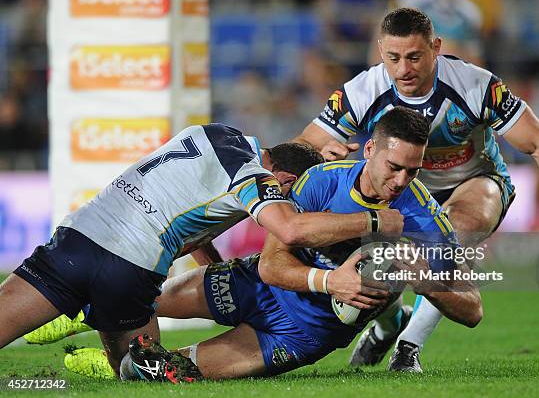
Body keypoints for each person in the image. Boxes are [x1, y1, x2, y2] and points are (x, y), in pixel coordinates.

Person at [293, 7, 539, 372]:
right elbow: (303, 145)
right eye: (393, 58)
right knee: (372, 256)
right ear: (380, 51)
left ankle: (408, 347)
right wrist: (316, 153)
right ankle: (388, 324)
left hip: (475, 181)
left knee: (457, 229)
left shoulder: (476, 86)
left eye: (414, 57)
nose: (403, 69)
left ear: (436, 47)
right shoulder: (362, 91)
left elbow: (538, 142)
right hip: (402, 191)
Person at [77, 107, 481, 382]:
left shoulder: (424, 218)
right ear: (371, 150)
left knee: (165, 372)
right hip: (258, 283)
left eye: (413, 171)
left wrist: (422, 277)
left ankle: (112, 367)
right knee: (135, 299)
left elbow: (472, 309)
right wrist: (330, 281)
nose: (401, 182)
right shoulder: (322, 180)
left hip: (301, 333)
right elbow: (272, 265)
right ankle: (72, 312)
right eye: (394, 167)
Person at [0, 123, 406, 376]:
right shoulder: (258, 179)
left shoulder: (211, 132)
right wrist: (373, 221)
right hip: (131, 267)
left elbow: (194, 219)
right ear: (281, 179)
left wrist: (217, 270)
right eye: (289, 193)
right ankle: (99, 334)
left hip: (77, 237)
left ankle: (81, 315)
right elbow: (290, 227)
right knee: (144, 377)